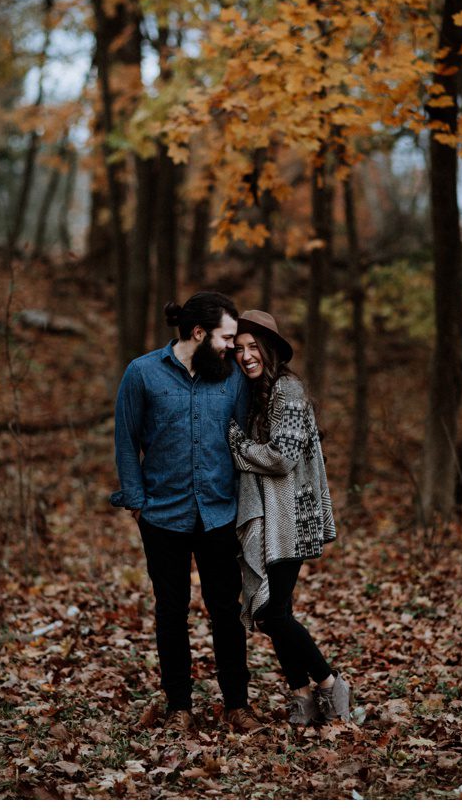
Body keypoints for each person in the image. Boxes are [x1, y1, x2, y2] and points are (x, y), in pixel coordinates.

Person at [111, 292, 258, 734]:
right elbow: (125, 439)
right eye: (227, 337)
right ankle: (180, 707)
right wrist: (137, 502)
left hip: (218, 513)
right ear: (199, 334)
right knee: (170, 611)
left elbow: (244, 440)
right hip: (162, 516)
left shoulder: (231, 377)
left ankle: (237, 705)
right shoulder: (142, 373)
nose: (233, 347)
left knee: (226, 612)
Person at [226, 310, 349, 725]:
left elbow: (282, 457)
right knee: (275, 613)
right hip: (270, 522)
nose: (245, 355)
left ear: (270, 348)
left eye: (253, 347)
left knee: (273, 614)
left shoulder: (288, 389)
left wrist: (236, 445)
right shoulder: (256, 393)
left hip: (291, 519)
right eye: (238, 348)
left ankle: (330, 683)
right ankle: (301, 694)